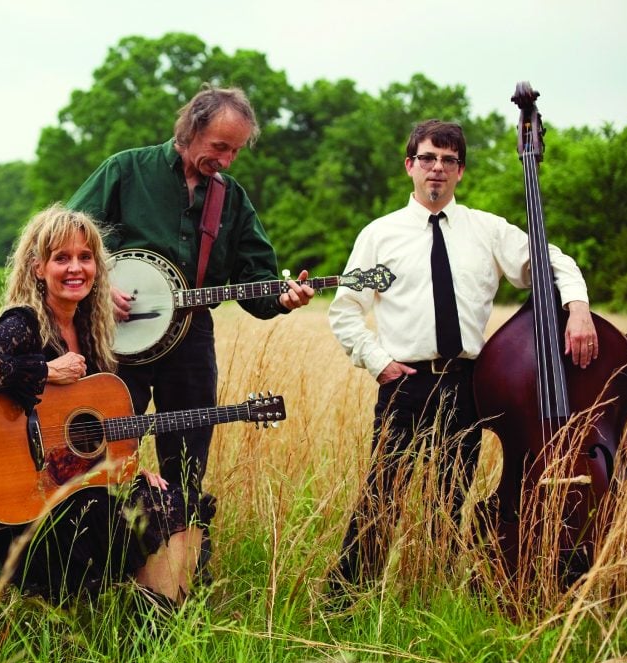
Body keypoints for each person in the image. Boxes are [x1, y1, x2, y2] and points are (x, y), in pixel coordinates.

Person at [327, 119, 597, 589]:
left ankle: (437, 591)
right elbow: (345, 311)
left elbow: (552, 260)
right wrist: (380, 363)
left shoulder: (487, 231)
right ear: (410, 165)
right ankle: (345, 599)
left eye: (448, 161)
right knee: (381, 497)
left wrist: (577, 306)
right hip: (404, 383)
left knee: (451, 499)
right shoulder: (379, 235)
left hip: (467, 384)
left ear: (461, 171)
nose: (438, 169)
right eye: (428, 158)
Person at [67, 84, 314, 512]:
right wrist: (98, 286)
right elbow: (65, 236)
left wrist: (281, 299)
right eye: (220, 147)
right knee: (100, 446)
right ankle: (92, 549)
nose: (226, 160)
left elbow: (256, 277)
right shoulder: (127, 170)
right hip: (114, 336)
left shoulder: (231, 197)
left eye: (235, 151)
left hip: (191, 338)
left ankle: (174, 550)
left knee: (187, 455)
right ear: (191, 129)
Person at [0, 205, 205, 606]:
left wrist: (131, 467)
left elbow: (85, 436)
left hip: (76, 488)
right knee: (123, 517)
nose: (75, 268)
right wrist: (44, 371)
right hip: (32, 506)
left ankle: (155, 626)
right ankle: (144, 623)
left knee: (176, 501)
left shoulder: (92, 330)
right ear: (38, 268)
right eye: (62, 258)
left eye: (85, 257)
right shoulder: (25, 322)